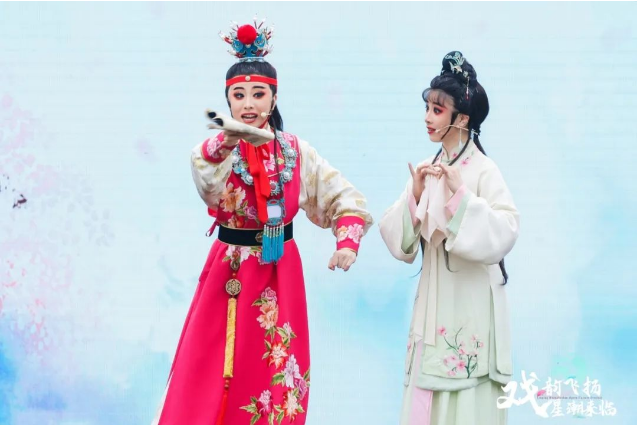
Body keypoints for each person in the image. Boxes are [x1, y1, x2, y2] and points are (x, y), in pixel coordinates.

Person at [152, 19, 373, 425]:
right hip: (229, 270)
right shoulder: (217, 150)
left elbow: (346, 199)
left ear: (274, 98)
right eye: (239, 95)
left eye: (259, 93)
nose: (249, 104)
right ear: (228, 100)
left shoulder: (295, 151)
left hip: (278, 272)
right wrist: (228, 139)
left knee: (274, 370)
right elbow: (205, 180)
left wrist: (346, 243)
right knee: (209, 365)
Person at [379, 51, 519, 424]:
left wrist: (462, 199)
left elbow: (506, 229)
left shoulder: (483, 170)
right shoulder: (427, 168)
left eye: (437, 110)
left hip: (470, 306)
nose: (427, 117)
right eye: (427, 108)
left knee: (468, 400)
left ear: (463, 118)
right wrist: (415, 195)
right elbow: (399, 242)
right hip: (433, 306)